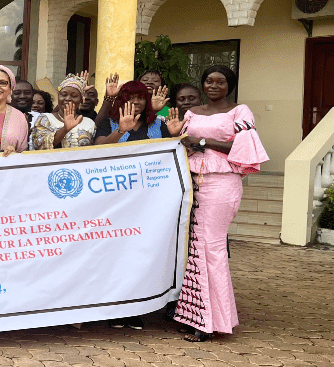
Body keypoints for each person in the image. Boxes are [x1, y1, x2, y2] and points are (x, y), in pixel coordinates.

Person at [174, 66, 267, 342]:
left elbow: (244, 146)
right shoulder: (191, 113)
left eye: (221, 81)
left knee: (210, 246)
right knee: (194, 248)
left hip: (221, 183)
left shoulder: (240, 111)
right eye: (209, 81)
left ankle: (209, 322)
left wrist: (202, 141)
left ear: (230, 85)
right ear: (202, 85)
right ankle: (196, 316)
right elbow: (183, 141)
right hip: (192, 181)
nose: (214, 85)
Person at [95, 80, 183, 145]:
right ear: (121, 101)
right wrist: (120, 131)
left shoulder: (158, 124)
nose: (136, 102)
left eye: (141, 98)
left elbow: (171, 154)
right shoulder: (108, 123)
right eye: (130, 98)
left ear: (146, 101)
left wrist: (175, 135)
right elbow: (97, 148)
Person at [32, 74, 96, 150]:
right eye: (64, 95)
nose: (68, 98)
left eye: (74, 96)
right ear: (58, 97)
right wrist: (65, 129)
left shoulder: (89, 123)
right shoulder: (45, 118)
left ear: (81, 100)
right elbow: (39, 145)